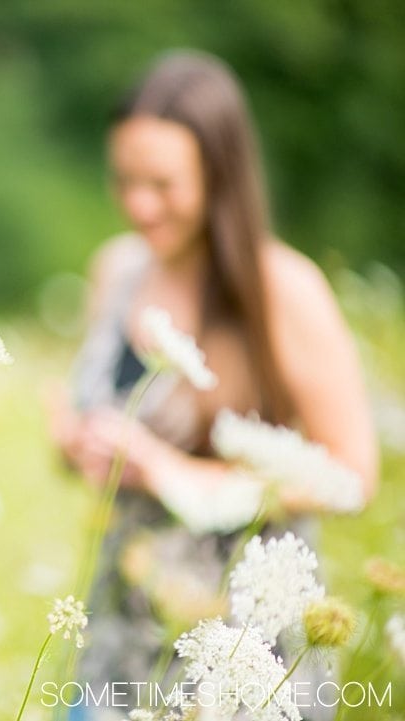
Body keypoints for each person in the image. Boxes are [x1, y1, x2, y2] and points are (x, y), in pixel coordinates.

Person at [50, 50, 379, 720]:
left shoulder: (285, 288)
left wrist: (175, 472)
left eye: (164, 184)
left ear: (220, 175)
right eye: (124, 180)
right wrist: (74, 443)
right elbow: (94, 439)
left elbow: (355, 475)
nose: (139, 204)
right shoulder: (116, 270)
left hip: (242, 640)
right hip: (119, 626)